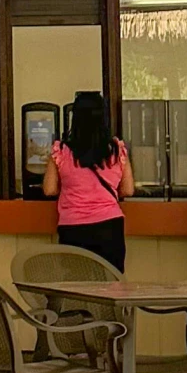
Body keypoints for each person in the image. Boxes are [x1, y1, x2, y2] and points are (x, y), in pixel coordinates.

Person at [42, 90, 135, 271]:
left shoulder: (61, 151)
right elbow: (128, 189)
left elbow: (49, 189)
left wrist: (70, 185)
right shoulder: (116, 150)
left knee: (76, 283)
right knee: (111, 282)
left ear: (75, 118)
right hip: (109, 227)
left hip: (73, 228)